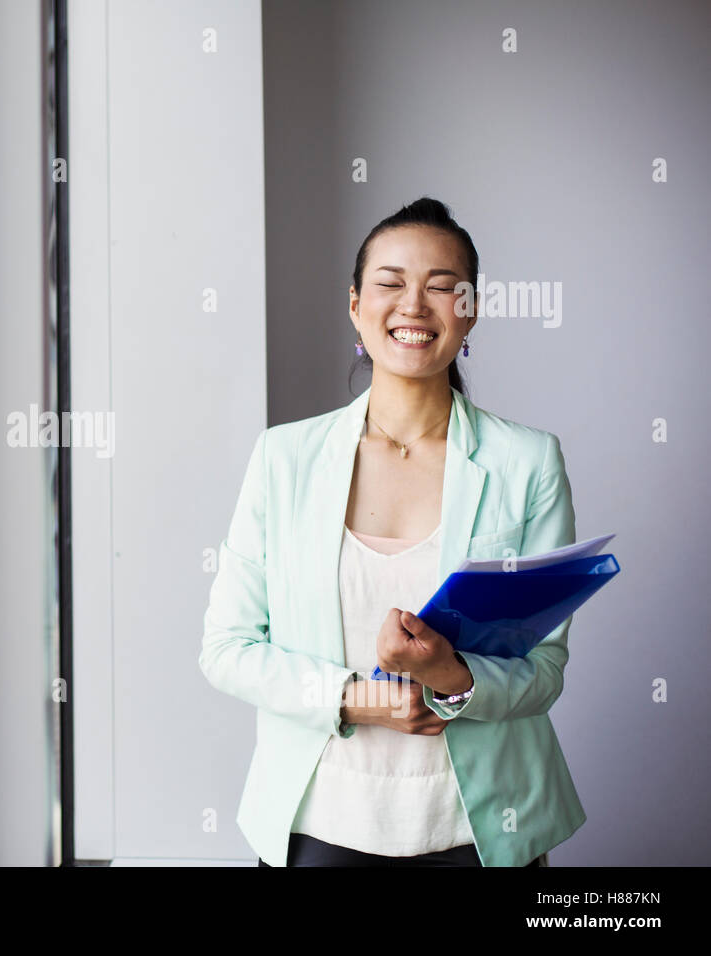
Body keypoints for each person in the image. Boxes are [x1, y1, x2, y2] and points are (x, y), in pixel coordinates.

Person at [199, 198, 584, 867]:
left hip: (480, 828)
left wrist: (452, 677)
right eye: (389, 283)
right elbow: (227, 647)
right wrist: (360, 699)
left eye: (441, 287)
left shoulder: (528, 461)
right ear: (355, 305)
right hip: (318, 822)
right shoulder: (283, 459)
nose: (414, 304)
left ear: (470, 309)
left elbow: (544, 669)